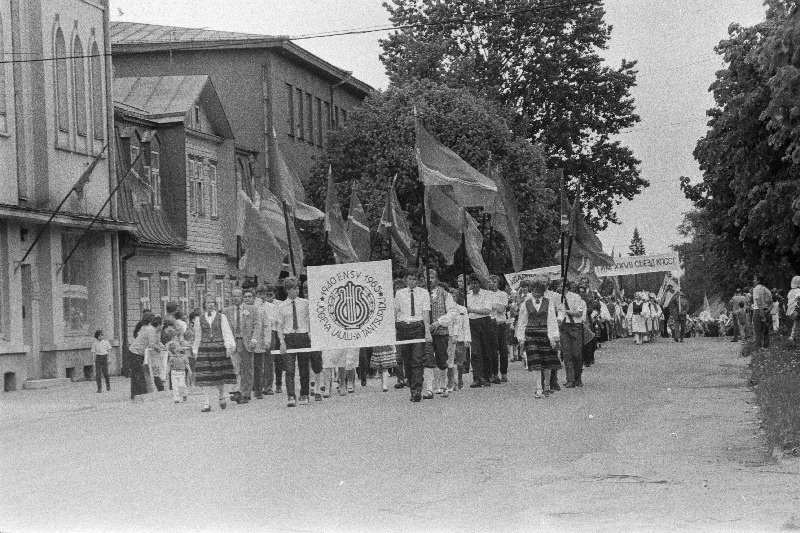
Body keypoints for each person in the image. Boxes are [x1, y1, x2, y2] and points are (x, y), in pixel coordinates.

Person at [278, 277, 324, 407]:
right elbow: (279, 326)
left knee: (304, 368)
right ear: (287, 290)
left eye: (298, 288)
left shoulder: (305, 303)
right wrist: (282, 342)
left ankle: (304, 394)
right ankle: (291, 396)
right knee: (290, 369)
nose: (297, 291)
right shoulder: (281, 306)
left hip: (303, 337)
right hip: (289, 338)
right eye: (294, 288)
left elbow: (316, 314)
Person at [516, 278, 561, 399]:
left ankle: (546, 386)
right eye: (534, 291)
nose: (536, 294)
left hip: (545, 333)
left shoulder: (548, 302)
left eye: (538, 292)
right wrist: (521, 338)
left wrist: (553, 337)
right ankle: (538, 388)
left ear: (542, 292)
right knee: (536, 362)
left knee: (546, 361)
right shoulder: (526, 303)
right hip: (531, 334)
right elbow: (522, 321)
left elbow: (551, 320)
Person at [191, 294, 237, 412]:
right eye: (208, 302)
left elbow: (226, 332)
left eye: (212, 302)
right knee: (205, 377)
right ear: (204, 305)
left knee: (219, 376)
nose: (210, 304)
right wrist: (195, 350)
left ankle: (221, 395)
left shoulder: (222, 317)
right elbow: (198, 336)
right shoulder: (198, 319)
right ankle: (206, 403)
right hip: (205, 348)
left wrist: (229, 346)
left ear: (215, 305)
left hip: (218, 348)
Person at [394, 269, 432, 402]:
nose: (412, 281)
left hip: (418, 326)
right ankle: (412, 382)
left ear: (418, 280)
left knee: (417, 359)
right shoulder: (399, 294)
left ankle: (417, 390)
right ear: (405, 280)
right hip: (404, 327)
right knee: (407, 360)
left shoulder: (424, 293)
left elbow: (426, 313)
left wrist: (427, 332)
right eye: (409, 279)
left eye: (414, 279)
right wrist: (393, 330)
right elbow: (396, 312)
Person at [223, 287, 257, 404]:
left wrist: (254, 339)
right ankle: (236, 390)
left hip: (246, 341)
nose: (235, 298)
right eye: (233, 296)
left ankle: (246, 393)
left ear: (242, 297)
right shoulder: (226, 311)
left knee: (247, 369)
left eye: (237, 296)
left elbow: (257, 325)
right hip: (233, 342)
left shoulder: (251, 309)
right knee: (234, 367)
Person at [427, 269, 456, 397]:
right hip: (425, 332)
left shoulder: (445, 294)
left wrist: (439, 321)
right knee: (427, 359)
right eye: (427, 278)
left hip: (441, 331)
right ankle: (430, 387)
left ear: (436, 279)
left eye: (432, 277)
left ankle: (442, 386)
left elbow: (452, 312)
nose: (429, 280)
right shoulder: (421, 294)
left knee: (441, 358)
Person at [466, 274, 495, 389]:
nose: (474, 285)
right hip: (472, 323)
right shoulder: (467, 296)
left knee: (486, 349)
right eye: (472, 283)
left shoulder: (486, 294)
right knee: (475, 351)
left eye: (476, 283)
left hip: (484, 322)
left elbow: (487, 310)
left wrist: (472, 310)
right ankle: (477, 378)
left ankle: (487, 376)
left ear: (479, 284)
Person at [252, 284, 278, 398]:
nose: (262, 297)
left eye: (264, 294)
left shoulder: (271, 306)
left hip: (268, 333)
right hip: (256, 335)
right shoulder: (254, 306)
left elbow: (273, 320)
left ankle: (268, 386)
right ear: (256, 295)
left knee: (268, 361)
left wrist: (264, 315)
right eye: (260, 294)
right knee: (257, 361)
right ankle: (257, 385)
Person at [560, 281, 587, 388]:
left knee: (577, 354)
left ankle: (578, 378)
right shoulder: (558, 299)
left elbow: (579, 313)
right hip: (564, 326)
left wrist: (566, 311)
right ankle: (570, 379)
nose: (560, 288)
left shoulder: (576, 297)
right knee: (567, 354)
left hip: (575, 326)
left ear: (567, 287)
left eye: (562, 286)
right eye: (558, 286)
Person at [443, 287, 470, 393]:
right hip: (449, 337)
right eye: (451, 296)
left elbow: (466, 325)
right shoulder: (447, 309)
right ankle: (451, 381)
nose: (453, 298)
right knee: (450, 360)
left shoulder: (462, 309)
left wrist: (467, 339)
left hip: (460, 338)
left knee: (460, 360)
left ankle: (460, 378)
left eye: (455, 296)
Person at [487, 275, 510, 383]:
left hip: (501, 323)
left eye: (495, 281)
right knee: (493, 349)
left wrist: (492, 305)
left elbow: (501, 309)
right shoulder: (486, 294)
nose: (493, 284)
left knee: (503, 349)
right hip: (491, 322)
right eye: (491, 282)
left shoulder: (503, 294)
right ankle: (494, 373)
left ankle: (504, 372)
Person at [166, 329, 191, 403]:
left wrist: (189, 371)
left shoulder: (184, 357)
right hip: (174, 373)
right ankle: (176, 398)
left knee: (182, 385)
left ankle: (184, 394)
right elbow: (169, 366)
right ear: (174, 349)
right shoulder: (172, 358)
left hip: (182, 372)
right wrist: (167, 372)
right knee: (175, 386)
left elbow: (187, 364)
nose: (180, 346)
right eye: (178, 346)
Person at [752, 274, 772, 349]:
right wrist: (767, 311)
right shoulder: (767, 290)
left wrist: (761, 312)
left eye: (754, 279)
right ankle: (766, 347)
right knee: (766, 331)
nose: (753, 281)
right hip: (766, 311)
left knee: (758, 331)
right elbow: (771, 304)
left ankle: (758, 348)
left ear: (758, 281)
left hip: (758, 311)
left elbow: (758, 301)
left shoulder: (756, 289)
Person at [787, 276, 800, 347]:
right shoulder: (798, 291)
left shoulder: (790, 291)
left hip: (791, 312)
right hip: (797, 311)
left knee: (795, 323)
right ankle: (793, 336)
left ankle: (792, 336)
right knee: (796, 323)